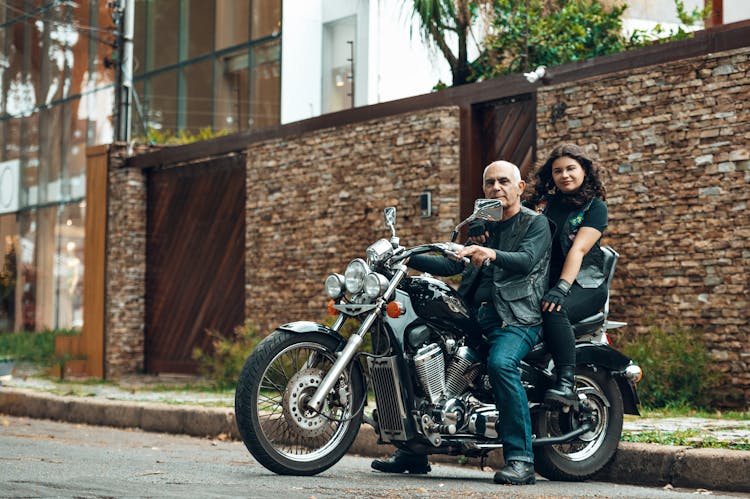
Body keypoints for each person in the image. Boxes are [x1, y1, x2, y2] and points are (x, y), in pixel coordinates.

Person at [371, 160, 551, 486]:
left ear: (520, 187)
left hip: (515, 317)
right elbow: (451, 265)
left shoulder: (535, 224)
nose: (496, 188)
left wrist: (491, 253)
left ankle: (521, 460)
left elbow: (526, 261)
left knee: (501, 364)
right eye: (489, 183)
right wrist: (406, 256)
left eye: (504, 182)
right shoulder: (482, 223)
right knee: (417, 353)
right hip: (472, 314)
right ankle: (413, 451)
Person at [527, 144, 608, 406]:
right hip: (544, 282)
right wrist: (482, 222)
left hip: (584, 283)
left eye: (571, 168)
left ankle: (565, 381)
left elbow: (579, 249)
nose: (565, 175)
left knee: (553, 308)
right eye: (558, 170)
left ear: (584, 170)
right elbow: (508, 211)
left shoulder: (595, 208)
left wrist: (562, 287)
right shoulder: (542, 204)